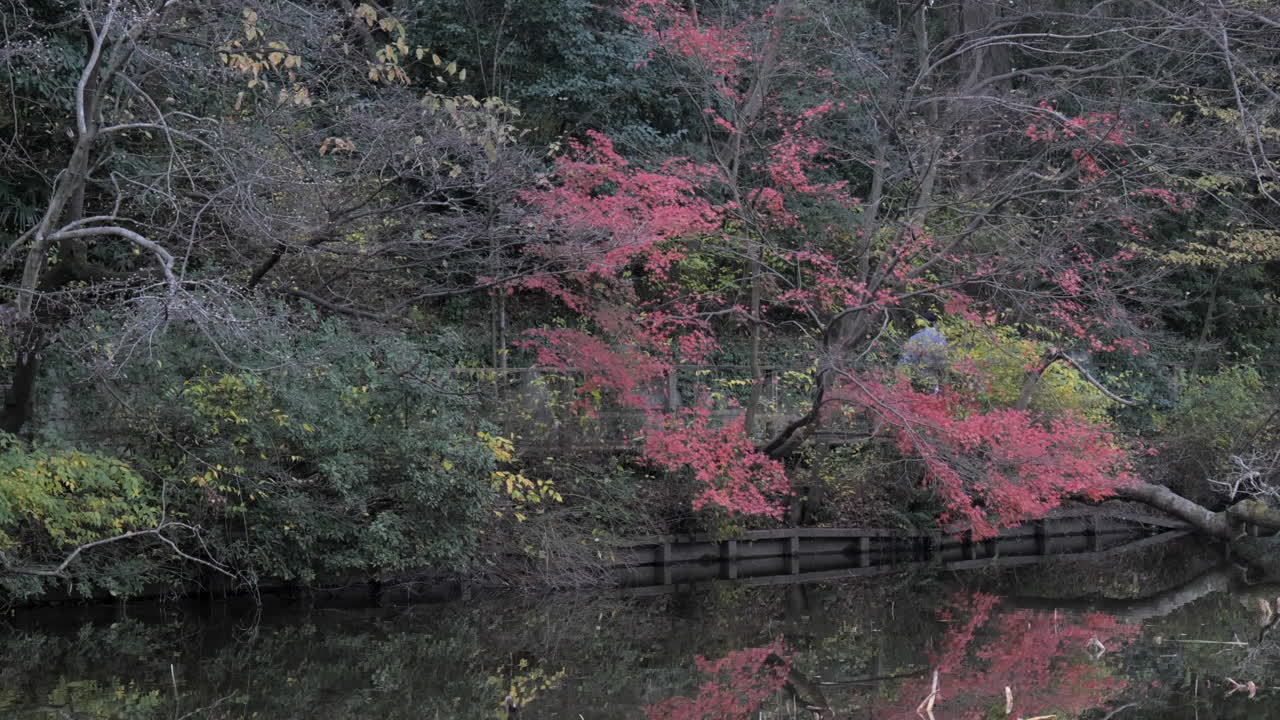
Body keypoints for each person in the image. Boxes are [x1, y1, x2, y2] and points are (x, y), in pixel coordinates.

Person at [898, 312, 947, 392]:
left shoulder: (916, 338)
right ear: (935, 323)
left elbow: (909, 358)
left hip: (919, 377)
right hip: (936, 377)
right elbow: (944, 359)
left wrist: (900, 369)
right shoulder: (942, 338)